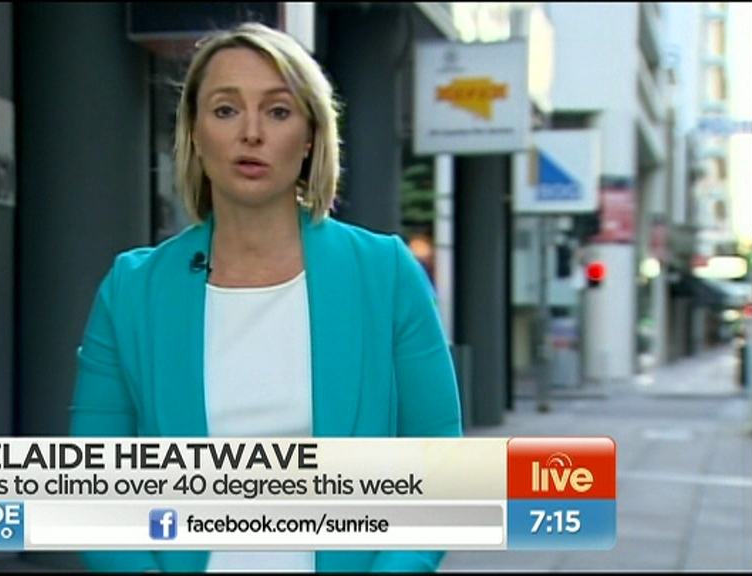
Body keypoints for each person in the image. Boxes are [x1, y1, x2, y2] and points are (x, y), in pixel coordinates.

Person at [69, 21, 461, 573]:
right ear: (195, 132)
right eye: (226, 110)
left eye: (277, 111)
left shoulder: (385, 274)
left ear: (310, 136)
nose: (251, 133)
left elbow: (440, 458)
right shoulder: (132, 290)